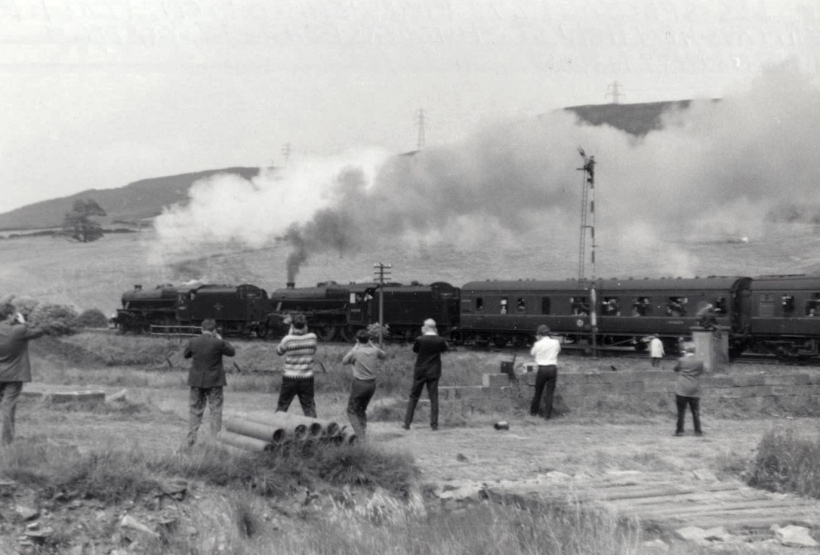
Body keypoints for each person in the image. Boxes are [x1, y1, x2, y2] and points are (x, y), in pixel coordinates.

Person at [184, 318, 235, 446]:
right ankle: (215, 440)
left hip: (196, 380)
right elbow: (232, 352)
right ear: (214, 330)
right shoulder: (218, 342)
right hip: (215, 381)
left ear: (201, 329)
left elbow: (186, 355)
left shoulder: (193, 341)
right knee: (216, 410)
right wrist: (220, 338)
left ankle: (191, 438)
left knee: (195, 409)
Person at [0, 304, 44, 445]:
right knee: (8, 407)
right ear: (9, 315)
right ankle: (6, 442)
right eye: (14, 314)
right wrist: (24, 322)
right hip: (14, 375)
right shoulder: (20, 330)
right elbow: (40, 331)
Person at [403, 318, 448, 431]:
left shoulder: (420, 339)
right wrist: (436, 335)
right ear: (435, 328)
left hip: (420, 370)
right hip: (434, 370)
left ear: (425, 327)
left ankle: (407, 423)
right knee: (434, 397)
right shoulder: (440, 340)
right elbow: (444, 349)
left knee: (414, 396)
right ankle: (434, 424)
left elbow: (415, 350)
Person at [341, 329, 386, 440]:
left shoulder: (355, 351)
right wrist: (372, 345)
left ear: (357, 340)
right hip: (371, 385)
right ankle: (363, 434)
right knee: (361, 410)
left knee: (351, 411)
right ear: (369, 340)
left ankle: (360, 437)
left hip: (360, 384)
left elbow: (344, 361)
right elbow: (384, 355)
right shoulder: (375, 351)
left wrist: (355, 347)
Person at [275, 313, 318, 417]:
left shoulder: (287, 340)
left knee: (282, 406)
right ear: (305, 326)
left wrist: (290, 334)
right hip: (307, 378)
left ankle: (276, 429)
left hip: (290, 378)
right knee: (309, 407)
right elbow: (313, 350)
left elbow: (279, 351)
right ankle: (315, 430)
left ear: (292, 326)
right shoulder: (313, 338)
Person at [529, 324, 561, 419]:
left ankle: (533, 412)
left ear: (540, 334)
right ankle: (547, 415)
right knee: (550, 392)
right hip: (552, 368)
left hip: (542, 368)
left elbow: (532, 353)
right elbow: (558, 350)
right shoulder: (555, 342)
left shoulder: (538, 344)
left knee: (538, 392)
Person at [673, 342, 704, 437]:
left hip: (682, 388)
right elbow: (701, 371)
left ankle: (679, 431)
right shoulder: (700, 361)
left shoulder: (681, 360)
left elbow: (675, 369)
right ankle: (698, 431)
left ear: (685, 351)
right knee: (695, 411)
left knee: (681, 411)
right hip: (694, 388)